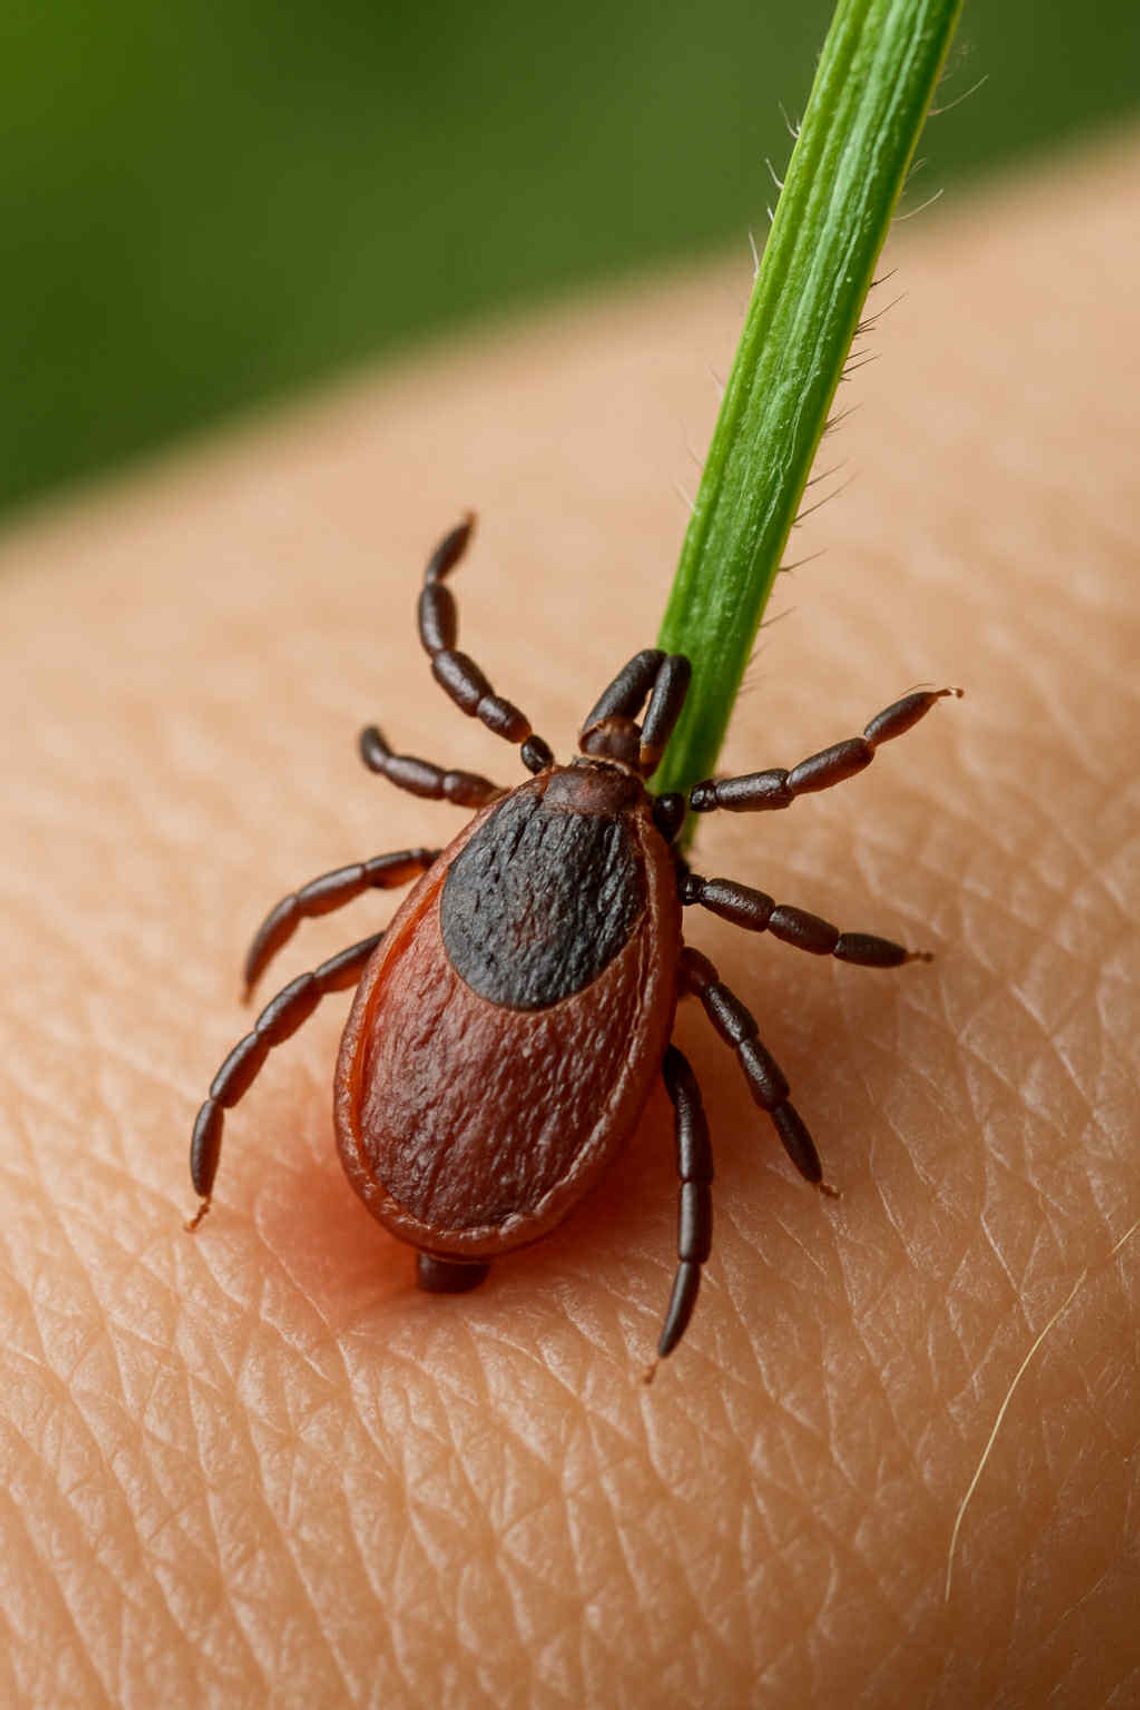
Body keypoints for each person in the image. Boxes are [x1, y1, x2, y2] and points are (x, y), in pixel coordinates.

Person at [0, 137, 1135, 1707]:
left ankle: (668, 1285)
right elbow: (784, 898)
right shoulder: (670, 869)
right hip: (539, 1097)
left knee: (354, 952)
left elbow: (370, 828)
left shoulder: (498, 811)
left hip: (481, 1060)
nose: (612, 751)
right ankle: (686, 1277)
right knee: (693, 1064)